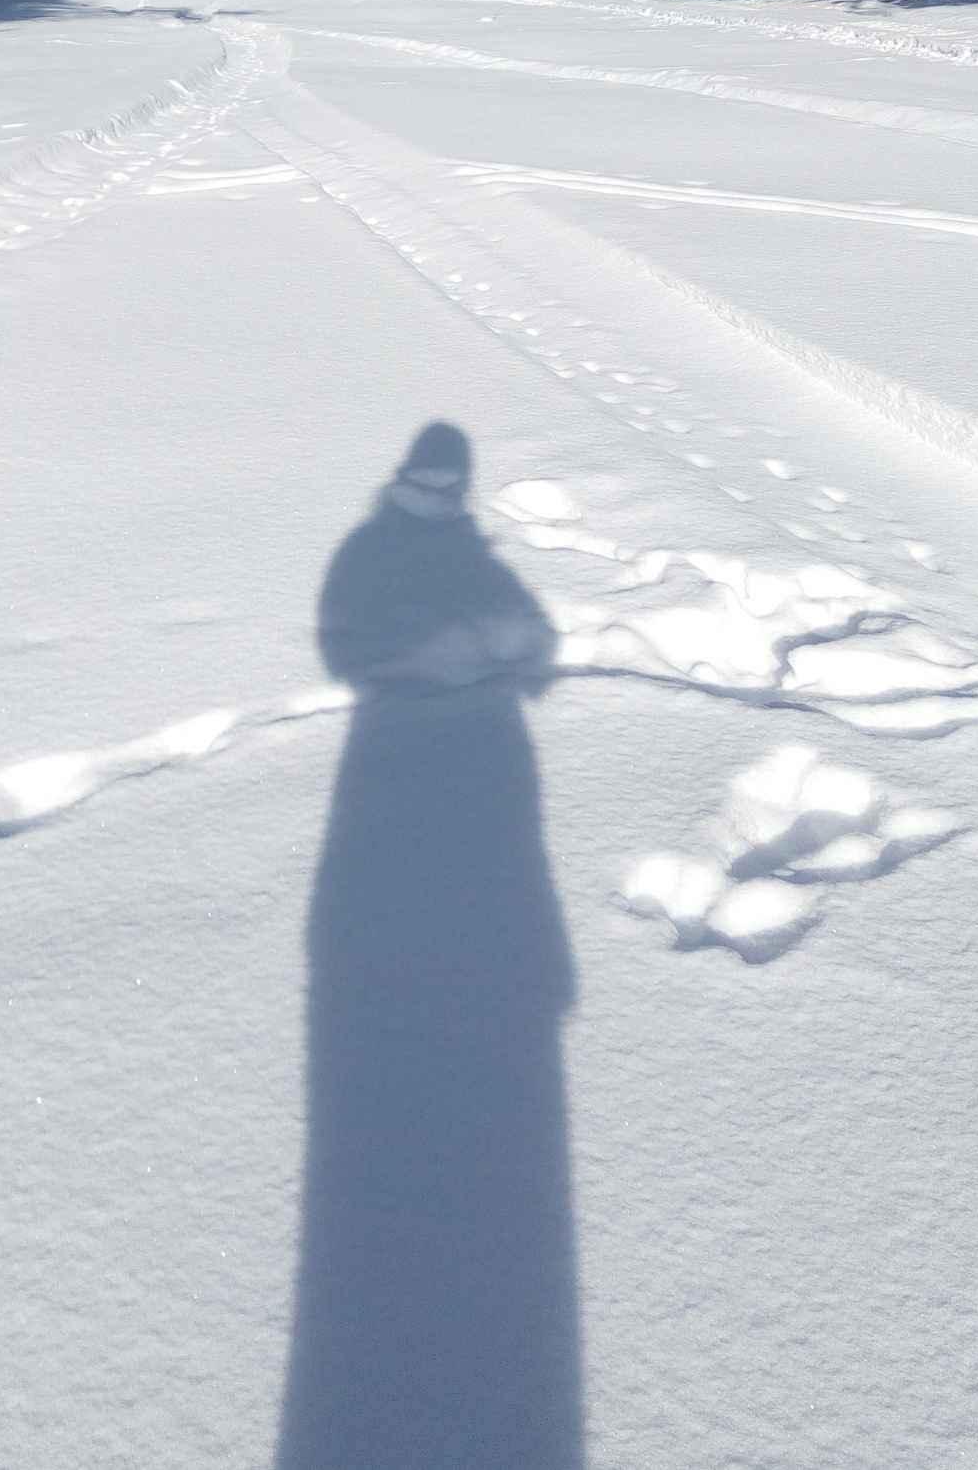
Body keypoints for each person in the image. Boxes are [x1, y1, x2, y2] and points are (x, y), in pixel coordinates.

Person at [278, 424, 584, 1470]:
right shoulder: (368, 553)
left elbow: (529, 629)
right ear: (404, 479)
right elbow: (347, 644)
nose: (444, 497)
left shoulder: (468, 549)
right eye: (431, 484)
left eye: (455, 485)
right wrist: (434, 659)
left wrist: (510, 650)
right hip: (397, 784)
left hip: (478, 788)